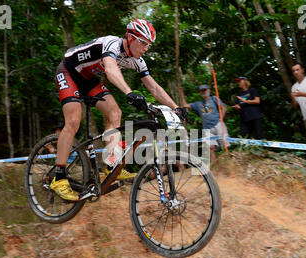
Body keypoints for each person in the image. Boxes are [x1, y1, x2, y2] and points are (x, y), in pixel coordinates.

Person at [52, 18, 186, 201]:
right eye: (143, 43)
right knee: (74, 121)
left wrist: (176, 107)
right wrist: (130, 93)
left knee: (115, 112)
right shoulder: (112, 44)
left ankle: (111, 165)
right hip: (69, 72)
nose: (146, 48)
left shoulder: (137, 61)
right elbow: (110, 69)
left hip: (89, 80)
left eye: (149, 45)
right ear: (130, 38)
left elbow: (153, 87)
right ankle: (58, 178)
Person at [183, 84, 230, 163]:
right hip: (207, 128)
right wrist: (181, 93)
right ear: (200, 92)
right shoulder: (198, 104)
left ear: (209, 90)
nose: (204, 91)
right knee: (210, 147)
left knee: (225, 145)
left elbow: (224, 108)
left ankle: (229, 163)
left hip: (218, 124)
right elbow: (185, 105)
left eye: (205, 89)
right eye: (202, 90)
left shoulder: (214, 98)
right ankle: (213, 166)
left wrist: (220, 119)